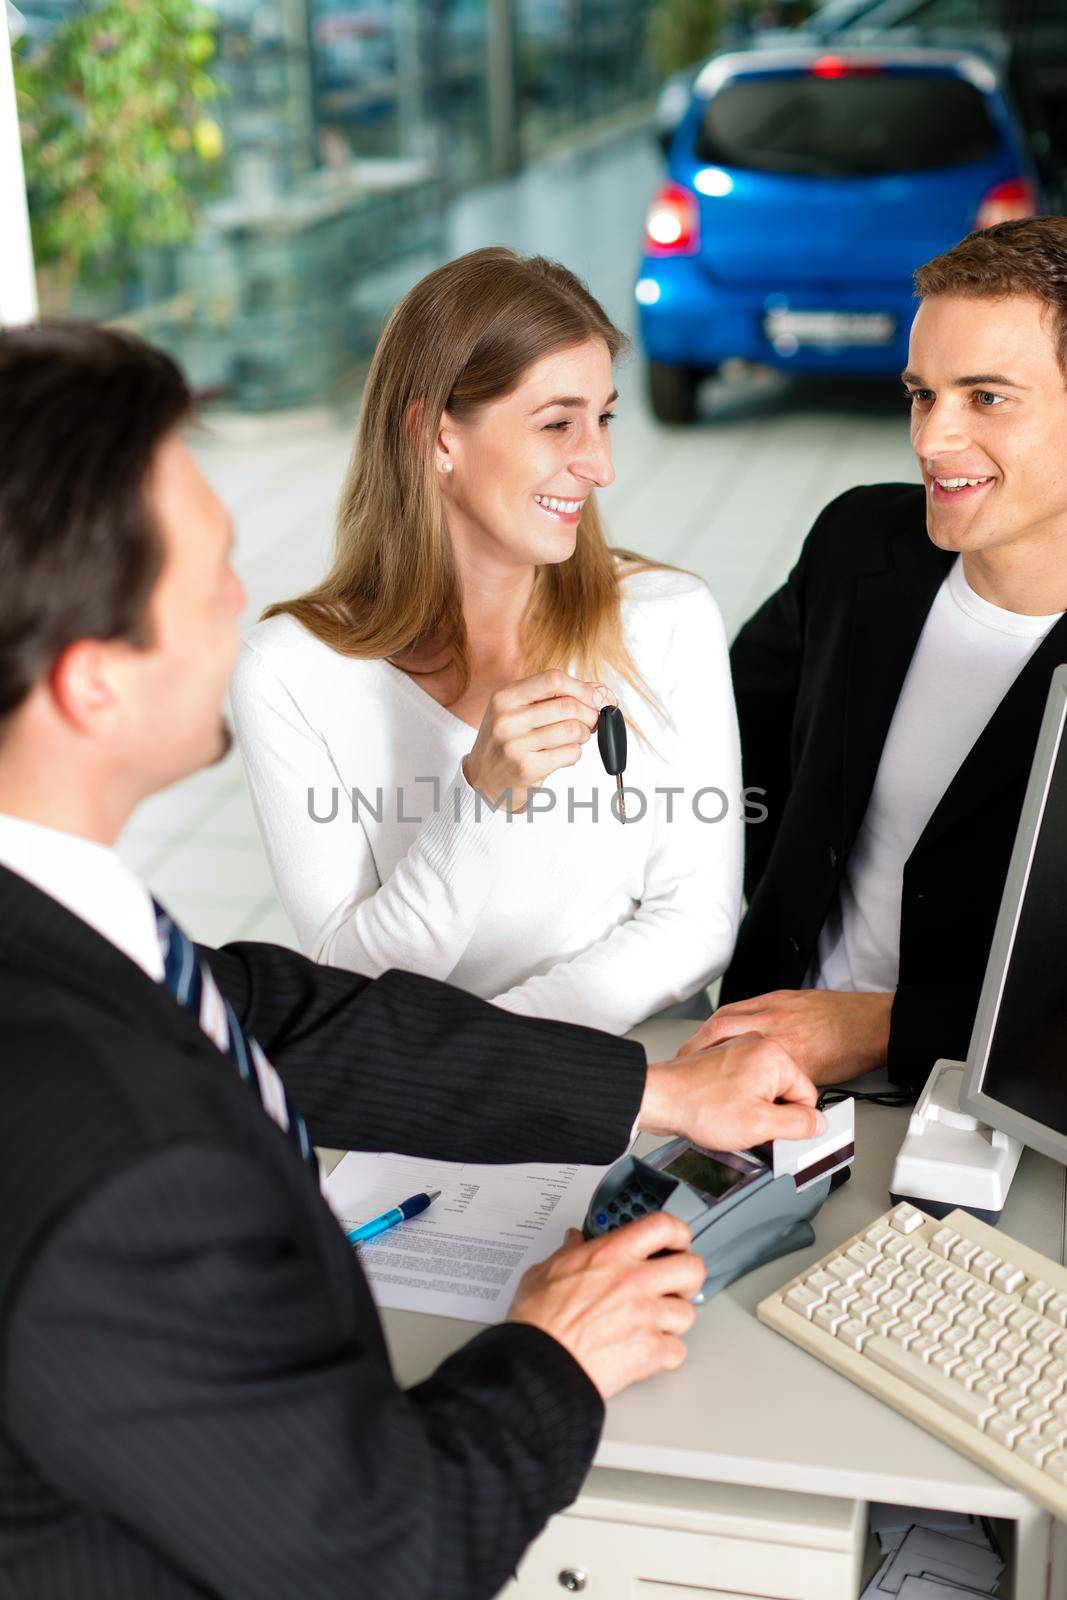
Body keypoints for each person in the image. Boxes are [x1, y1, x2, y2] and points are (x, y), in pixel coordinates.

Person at [0, 323, 822, 1600]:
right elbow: (379, 1555)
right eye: (206, 571)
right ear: (92, 682)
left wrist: (655, 1094)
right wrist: (552, 1349)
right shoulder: (128, 1169)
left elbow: (287, 1011)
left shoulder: (62, 931)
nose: (239, 595)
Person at [230, 247, 743, 1036]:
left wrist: (493, 1058)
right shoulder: (291, 670)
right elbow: (344, 979)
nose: (599, 464)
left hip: (629, 1060)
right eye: (557, 424)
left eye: (602, 418)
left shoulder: (666, 618)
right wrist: (480, 800)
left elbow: (695, 924)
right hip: (422, 1103)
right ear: (436, 437)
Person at [683, 216, 1067, 1091]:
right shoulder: (859, 542)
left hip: (985, 1105)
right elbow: (732, 752)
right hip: (754, 1069)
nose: (931, 440)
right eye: (920, 394)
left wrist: (888, 1027)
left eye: (986, 397)